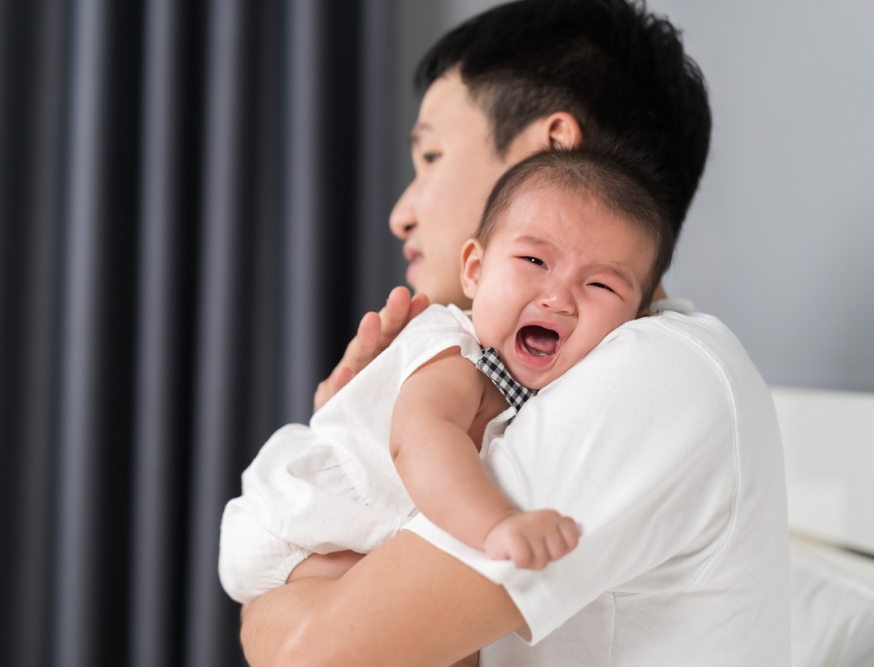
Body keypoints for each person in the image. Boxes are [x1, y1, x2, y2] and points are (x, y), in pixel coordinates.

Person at [241, 1, 790, 665]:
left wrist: (275, 572)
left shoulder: (656, 374)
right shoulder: (541, 382)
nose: (400, 213)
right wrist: (355, 453)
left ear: (552, 145)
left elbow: (313, 655)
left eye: (433, 154)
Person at [220, 148, 674, 604]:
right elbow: (421, 437)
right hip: (297, 523)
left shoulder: (586, 387)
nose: (559, 298)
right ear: (475, 271)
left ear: (635, 321)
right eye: (535, 262)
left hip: (349, 529)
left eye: (601, 285)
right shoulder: (454, 350)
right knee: (395, 611)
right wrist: (497, 524)